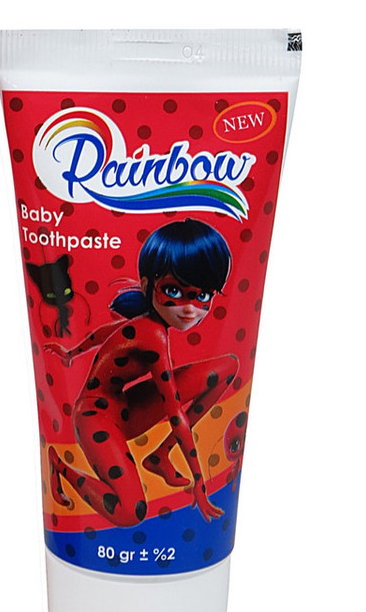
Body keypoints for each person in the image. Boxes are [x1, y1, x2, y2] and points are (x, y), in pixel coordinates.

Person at [44, 218, 238, 526]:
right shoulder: (154, 336)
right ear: (148, 286)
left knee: (227, 366)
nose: (189, 308)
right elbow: (175, 413)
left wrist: (72, 353)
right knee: (130, 511)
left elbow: (108, 333)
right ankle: (61, 467)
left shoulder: (147, 322)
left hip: (126, 406)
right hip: (95, 417)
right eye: (173, 290)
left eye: (202, 296)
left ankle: (159, 456)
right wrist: (199, 482)